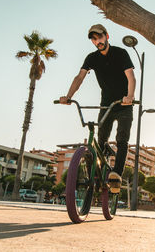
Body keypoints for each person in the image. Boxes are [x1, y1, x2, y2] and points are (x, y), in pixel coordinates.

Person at [59, 24, 136, 193]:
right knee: (100, 140)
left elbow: (131, 76)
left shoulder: (121, 53)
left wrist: (129, 97)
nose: (97, 41)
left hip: (124, 105)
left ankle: (116, 176)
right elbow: (80, 77)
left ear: (107, 36)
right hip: (106, 105)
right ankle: (97, 176)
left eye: (100, 37)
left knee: (122, 139)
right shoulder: (91, 58)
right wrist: (68, 96)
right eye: (94, 39)